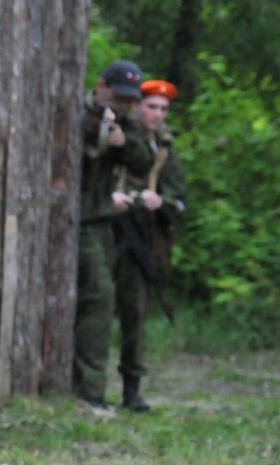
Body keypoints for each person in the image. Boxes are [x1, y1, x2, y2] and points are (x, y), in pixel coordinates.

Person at [74, 60, 158, 410]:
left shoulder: (123, 120)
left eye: (130, 100)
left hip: (101, 221)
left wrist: (121, 141)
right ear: (102, 85)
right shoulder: (77, 109)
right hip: (79, 218)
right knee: (100, 296)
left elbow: (143, 160)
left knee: (104, 299)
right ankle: (89, 392)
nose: (124, 105)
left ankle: (91, 389)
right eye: (119, 97)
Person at [110, 78, 189, 412]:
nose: (156, 114)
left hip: (144, 238)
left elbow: (182, 200)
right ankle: (84, 384)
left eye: (163, 109)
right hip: (108, 228)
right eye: (151, 106)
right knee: (94, 306)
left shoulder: (165, 149)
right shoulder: (117, 134)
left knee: (135, 314)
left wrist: (162, 201)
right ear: (137, 106)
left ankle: (132, 389)